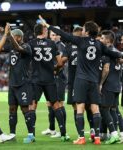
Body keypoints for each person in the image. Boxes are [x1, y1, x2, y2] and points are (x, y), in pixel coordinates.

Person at [38, 15, 123, 145]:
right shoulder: (100, 45)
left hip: (81, 80)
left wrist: (49, 26)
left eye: (84, 28)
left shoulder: (80, 41)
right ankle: (98, 138)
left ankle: (81, 138)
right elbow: (115, 54)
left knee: (80, 108)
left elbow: (63, 34)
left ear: (87, 31)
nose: (82, 30)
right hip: (94, 81)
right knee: (95, 108)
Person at [29, 23, 69, 142]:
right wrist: (55, 70)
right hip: (49, 79)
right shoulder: (52, 44)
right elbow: (60, 62)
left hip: (35, 79)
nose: (47, 31)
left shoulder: (30, 44)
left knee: (32, 106)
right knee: (56, 105)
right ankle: (63, 134)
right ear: (42, 31)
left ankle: (31, 135)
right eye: (46, 29)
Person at [2, 28, 35, 143]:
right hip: (12, 84)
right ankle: (12, 135)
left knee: (25, 109)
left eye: (13, 36)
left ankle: (31, 135)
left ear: (19, 37)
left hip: (23, 83)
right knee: (12, 109)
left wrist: (9, 34)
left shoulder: (26, 47)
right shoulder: (11, 47)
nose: (11, 39)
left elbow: (17, 48)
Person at [42, 26, 67, 138]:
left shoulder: (61, 46)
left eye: (54, 34)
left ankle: (62, 130)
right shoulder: (50, 45)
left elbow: (61, 63)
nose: (52, 37)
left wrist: (54, 71)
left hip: (59, 77)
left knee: (59, 104)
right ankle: (52, 128)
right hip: (50, 78)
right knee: (49, 103)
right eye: (51, 34)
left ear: (59, 35)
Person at [99, 30, 121, 144]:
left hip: (108, 85)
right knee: (113, 110)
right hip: (117, 85)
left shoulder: (107, 52)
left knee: (104, 109)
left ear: (108, 40)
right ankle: (116, 134)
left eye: (102, 38)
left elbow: (106, 69)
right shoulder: (117, 51)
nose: (100, 40)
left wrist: (101, 83)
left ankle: (113, 134)